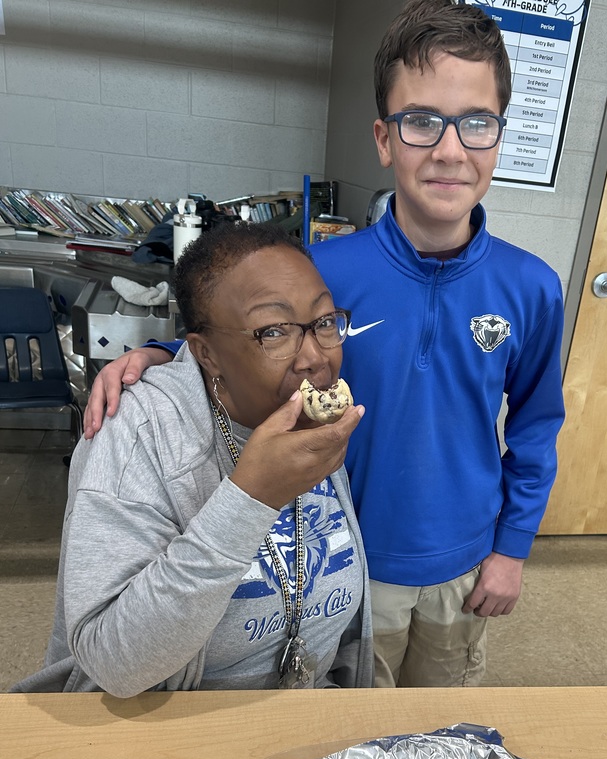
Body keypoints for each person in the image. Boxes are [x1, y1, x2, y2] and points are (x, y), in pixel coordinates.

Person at [82, 0, 565, 689]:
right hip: (340, 564)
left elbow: (539, 426)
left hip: (464, 561)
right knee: (343, 735)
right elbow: (244, 337)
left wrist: (512, 549)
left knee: (435, 729)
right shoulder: (322, 273)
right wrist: (163, 355)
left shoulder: (532, 286)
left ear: (499, 135)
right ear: (383, 138)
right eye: (421, 121)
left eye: (476, 123)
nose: (450, 149)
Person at [13, 221, 374, 695]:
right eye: (274, 331)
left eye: (324, 322)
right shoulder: (136, 430)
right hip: (167, 732)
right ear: (205, 354)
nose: (314, 357)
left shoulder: (316, 416)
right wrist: (251, 498)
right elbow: (113, 663)